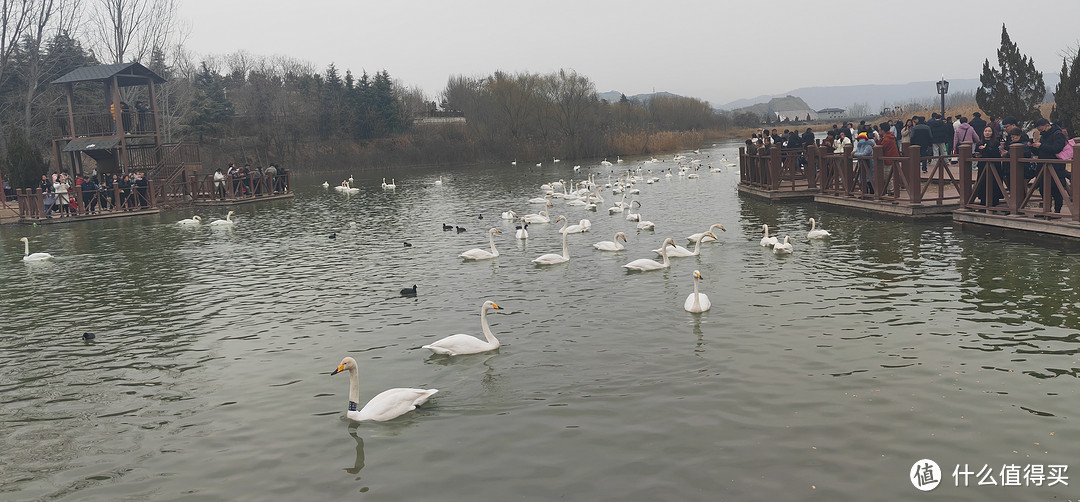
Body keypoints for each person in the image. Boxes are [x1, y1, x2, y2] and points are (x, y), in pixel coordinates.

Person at [1030, 118, 1069, 213]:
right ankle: (1046, 210)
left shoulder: (1058, 134)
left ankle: (1057, 211)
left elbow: (1057, 148)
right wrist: (1033, 147)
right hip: (1043, 166)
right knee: (1043, 189)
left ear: (1047, 125)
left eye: (1041, 129)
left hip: (1055, 166)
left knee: (1056, 189)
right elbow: (1042, 150)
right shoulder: (1044, 135)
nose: (1040, 131)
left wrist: (1041, 146)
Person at [973, 126, 1003, 206]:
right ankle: (983, 201)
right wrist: (977, 155)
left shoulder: (996, 142)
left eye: (989, 131)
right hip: (983, 166)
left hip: (994, 165)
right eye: (985, 131)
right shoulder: (979, 143)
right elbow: (976, 153)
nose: (987, 133)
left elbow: (995, 153)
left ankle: (994, 202)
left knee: (994, 183)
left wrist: (985, 149)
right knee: (983, 182)